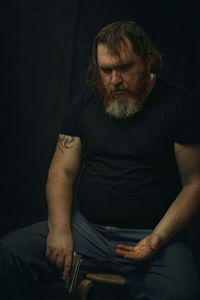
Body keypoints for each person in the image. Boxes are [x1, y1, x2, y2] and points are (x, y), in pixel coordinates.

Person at [1, 21, 200, 300]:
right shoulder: (85, 104)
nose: (114, 79)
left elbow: (194, 183)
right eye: (106, 70)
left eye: (125, 68)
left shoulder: (180, 107)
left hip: (154, 237)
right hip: (87, 231)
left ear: (148, 59)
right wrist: (59, 229)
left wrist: (156, 240)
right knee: (8, 254)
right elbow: (62, 170)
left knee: (183, 293)